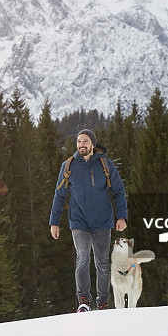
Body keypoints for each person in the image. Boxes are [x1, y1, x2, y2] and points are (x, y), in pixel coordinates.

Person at [49, 129, 128, 312]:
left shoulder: (105, 165)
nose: (81, 145)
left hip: (102, 221)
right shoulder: (68, 166)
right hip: (79, 221)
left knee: (102, 263)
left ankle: (102, 302)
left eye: (85, 141)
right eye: (78, 141)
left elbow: (118, 191)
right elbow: (60, 195)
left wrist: (122, 217)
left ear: (92, 144)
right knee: (83, 257)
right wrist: (54, 222)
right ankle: (83, 301)